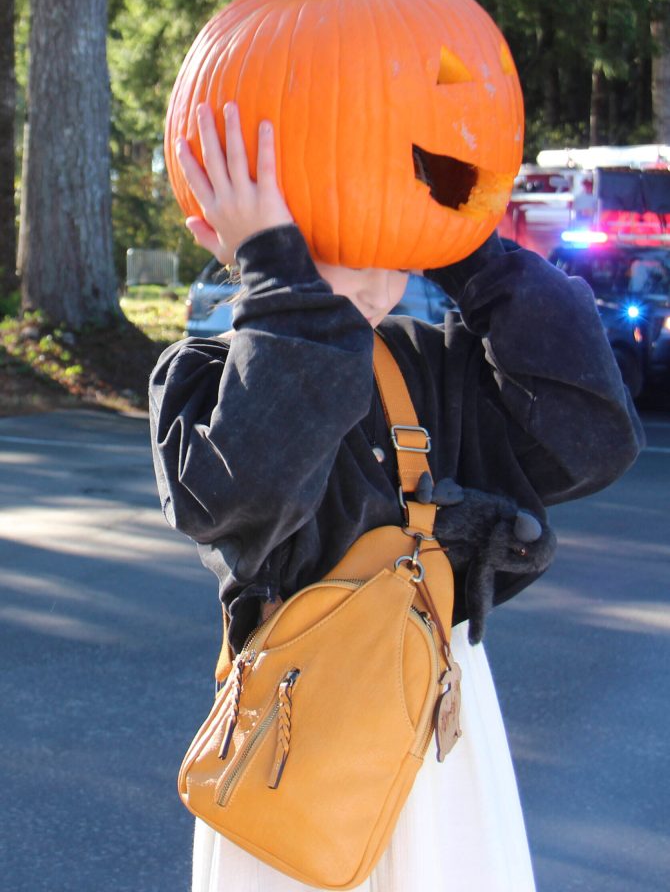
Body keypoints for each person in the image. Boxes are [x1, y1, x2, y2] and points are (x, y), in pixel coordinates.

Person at [149, 101, 643, 892]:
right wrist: (279, 274)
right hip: (294, 748)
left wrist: (464, 245)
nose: (379, 263)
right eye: (336, 236)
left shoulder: (427, 363)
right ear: (261, 246)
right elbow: (243, 493)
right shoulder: (204, 378)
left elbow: (592, 438)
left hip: (440, 735)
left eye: (391, 238)